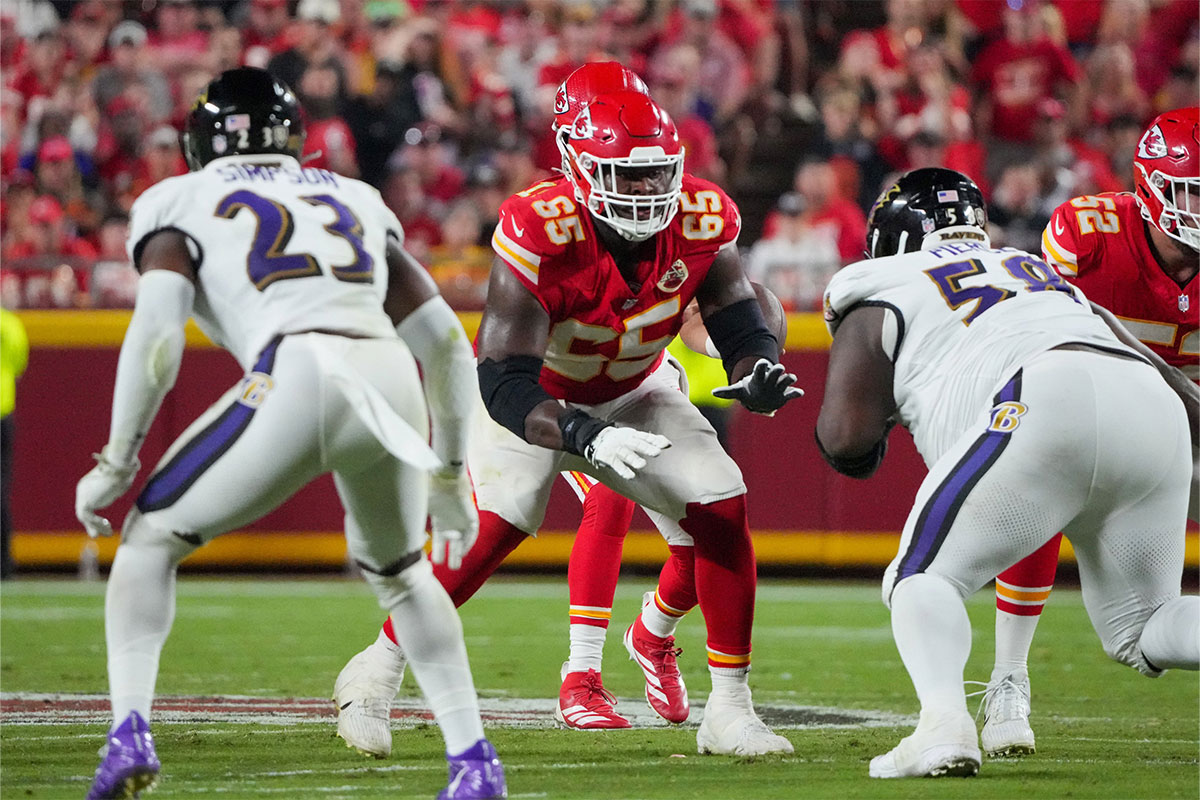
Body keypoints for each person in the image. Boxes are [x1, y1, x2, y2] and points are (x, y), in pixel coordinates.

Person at [74, 68, 506, 800]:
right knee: (404, 573)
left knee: (148, 540)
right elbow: (445, 345)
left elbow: (156, 337)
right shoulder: (355, 197)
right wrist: (450, 473)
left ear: (201, 140)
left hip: (298, 366)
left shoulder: (179, 198)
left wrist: (118, 457)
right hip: (387, 372)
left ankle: (127, 737)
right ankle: (473, 763)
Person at [336, 87, 803, 759]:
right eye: (625, 172)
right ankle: (375, 670)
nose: (645, 188)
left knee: (721, 498)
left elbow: (733, 312)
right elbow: (502, 379)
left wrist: (756, 362)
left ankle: (730, 709)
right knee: (501, 523)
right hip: (536, 395)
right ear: (578, 168)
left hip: (635, 386)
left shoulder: (702, 213)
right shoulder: (540, 225)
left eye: (656, 170)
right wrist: (585, 434)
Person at [816, 166, 1199, 779]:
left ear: (889, 238)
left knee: (921, 577)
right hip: (1152, 401)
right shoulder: (1036, 267)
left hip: (1044, 393)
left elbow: (847, 443)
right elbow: (1163, 373)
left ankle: (943, 727)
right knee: (1145, 624)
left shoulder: (878, 281)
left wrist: (892, 409)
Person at [978, 106, 1200, 758]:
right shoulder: (1091, 236)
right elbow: (1045, 351)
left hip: (1166, 447)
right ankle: (1008, 678)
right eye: (1195, 191)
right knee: (1042, 467)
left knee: (1136, 633)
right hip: (1088, 402)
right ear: (1153, 188)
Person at [0, 308, 28, 580]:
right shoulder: (10, 324)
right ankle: (3, 564)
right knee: (1, 490)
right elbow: (19, 364)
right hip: (3, 408)